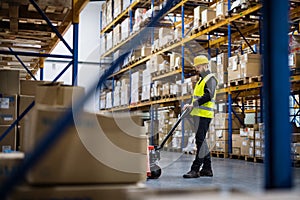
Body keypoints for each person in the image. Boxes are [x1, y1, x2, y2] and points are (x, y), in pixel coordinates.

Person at [182, 55, 218, 178]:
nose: (197, 69)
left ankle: (195, 169)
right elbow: (196, 98)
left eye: (198, 66)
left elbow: (208, 96)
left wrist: (194, 105)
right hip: (198, 114)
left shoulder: (211, 79)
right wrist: (190, 105)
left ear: (204, 65)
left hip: (204, 115)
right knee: (201, 141)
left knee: (200, 142)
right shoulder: (201, 80)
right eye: (196, 67)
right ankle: (207, 169)